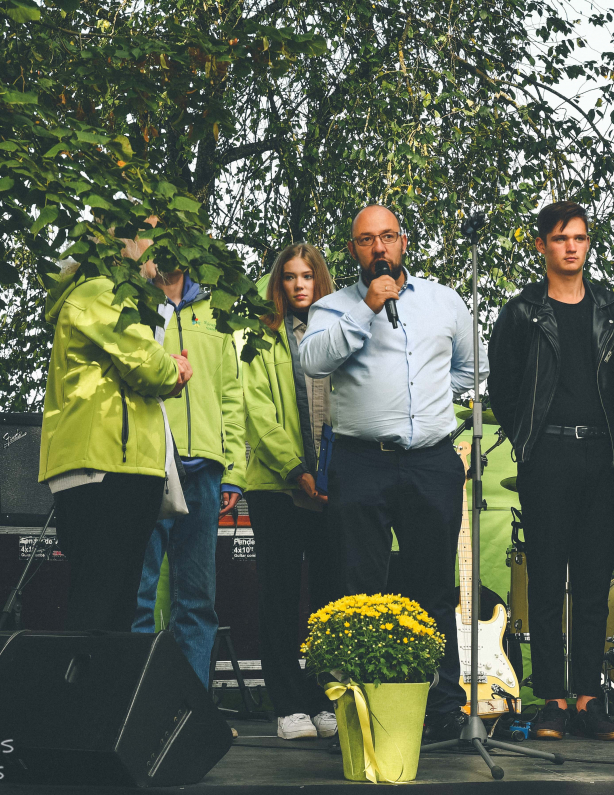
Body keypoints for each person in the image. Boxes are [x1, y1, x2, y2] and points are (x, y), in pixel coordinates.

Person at [300, 205, 486, 742]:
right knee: (361, 586)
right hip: (361, 461)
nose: (378, 249)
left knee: (433, 587)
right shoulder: (334, 307)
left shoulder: (443, 300)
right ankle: (360, 710)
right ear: (354, 249)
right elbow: (313, 363)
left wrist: (431, 401)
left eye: (387, 237)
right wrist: (367, 311)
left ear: (404, 241)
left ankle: (443, 709)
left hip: (432, 460)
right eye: (366, 240)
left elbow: (475, 368)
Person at [487, 202, 614, 741]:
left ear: (589, 244)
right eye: (561, 238)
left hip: (602, 455)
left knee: (594, 582)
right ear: (542, 245)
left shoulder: (612, 308)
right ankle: (552, 700)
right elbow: (503, 387)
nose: (572, 246)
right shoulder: (521, 311)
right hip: (546, 456)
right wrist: (527, 443)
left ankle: (590, 700)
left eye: (580, 237)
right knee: (545, 581)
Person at [38, 226, 191, 631]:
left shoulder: (95, 291)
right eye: (152, 238)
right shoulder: (101, 291)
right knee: (102, 608)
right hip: (107, 466)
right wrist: (174, 369)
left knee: (109, 606)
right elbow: (149, 367)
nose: (160, 250)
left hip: (109, 464)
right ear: (126, 243)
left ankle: (94, 692)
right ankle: (85, 694)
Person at [129, 225, 247, 689]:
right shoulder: (132, 304)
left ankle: (191, 712)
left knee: (197, 600)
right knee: (138, 596)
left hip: (204, 472)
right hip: (149, 464)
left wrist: (231, 471)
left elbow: (231, 393)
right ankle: (136, 712)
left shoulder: (217, 312)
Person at [242, 243, 340, 739]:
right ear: (277, 284)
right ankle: (286, 706)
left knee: (329, 597)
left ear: (321, 281)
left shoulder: (340, 332)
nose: (299, 284)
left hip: (332, 486)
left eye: (308, 276)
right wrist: (298, 468)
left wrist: (333, 473)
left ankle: (324, 699)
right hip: (277, 486)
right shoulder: (260, 337)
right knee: (280, 596)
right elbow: (255, 412)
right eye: (289, 277)